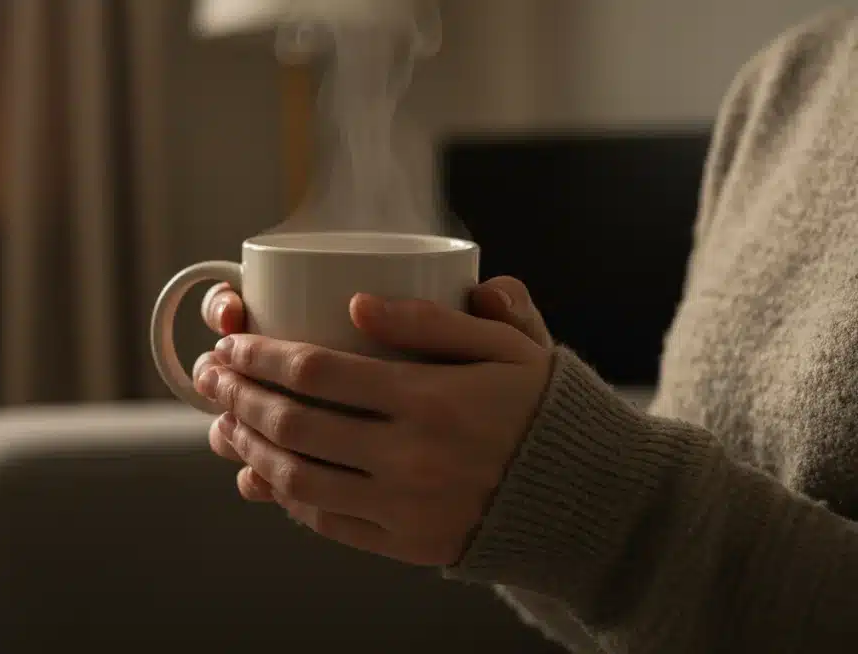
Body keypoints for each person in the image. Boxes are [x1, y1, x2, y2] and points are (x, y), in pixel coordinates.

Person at [188, 8, 858, 653]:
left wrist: (588, 492)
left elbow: (647, 538)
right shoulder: (787, 85)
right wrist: (523, 490)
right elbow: (658, 617)